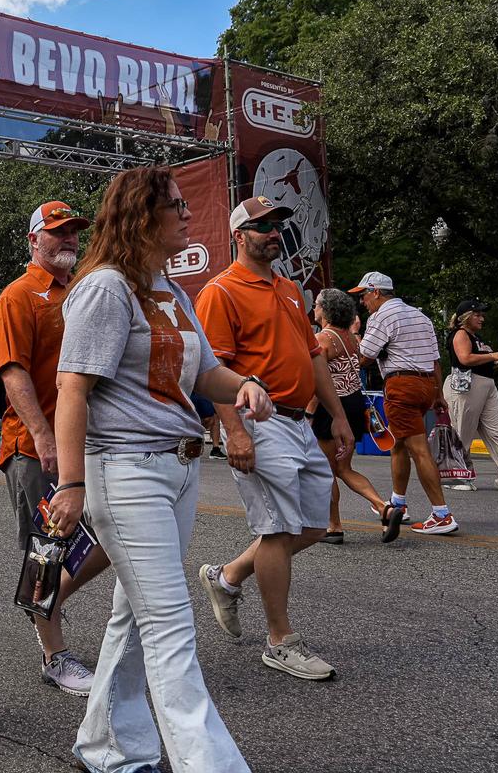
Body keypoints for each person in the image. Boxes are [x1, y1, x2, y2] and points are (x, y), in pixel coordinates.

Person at [47, 167, 268, 773]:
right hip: (126, 473)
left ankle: (108, 746)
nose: (188, 215)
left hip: (180, 469)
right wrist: (71, 484)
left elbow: (205, 373)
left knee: (133, 621)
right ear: (143, 217)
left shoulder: (170, 289)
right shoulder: (105, 289)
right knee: (171, 628)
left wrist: (246, 386)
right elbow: (72, 390)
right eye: (176, 206)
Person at [193, 196, 355, 682]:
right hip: (260, 423)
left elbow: (313, 358)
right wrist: (235, 433)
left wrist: (338, 415)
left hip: (300, 423)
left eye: (278, 224)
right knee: (278, 528)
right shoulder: (220, 291)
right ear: (238, 236)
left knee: (308, 526)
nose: (273, 232)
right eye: (262, 226)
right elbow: (211, 370)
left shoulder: (289, 289)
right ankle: (281, 641)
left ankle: (227, 577)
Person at [0, 200, 111, 696]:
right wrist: (43, 436)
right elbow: (14, 372)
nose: (67, 240)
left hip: (86, 442)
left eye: (73, 233)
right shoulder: (19, 296)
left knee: (107, 535)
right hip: (36, 446)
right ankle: (54, 656)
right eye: (57, 232)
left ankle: (44, 600)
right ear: (33, 240)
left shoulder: (82, 291)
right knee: (46, 550)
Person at [353, 272, 458, 535]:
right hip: (425, 385)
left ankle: (442, 514)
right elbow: (435, 360)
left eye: (364, 295)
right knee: (399, 444)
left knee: (418, 450)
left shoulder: (381, 316)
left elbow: (365, 357)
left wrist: (354, 336)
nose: (363, 302)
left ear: (376, 292)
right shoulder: (420, 316)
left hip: (401, 384)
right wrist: (437, 394)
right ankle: (398, 502)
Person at [309, 288, 388, 542]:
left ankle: (334, 525)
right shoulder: (351, 338)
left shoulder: (323, 339)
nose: (314, 309)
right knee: (344, 468)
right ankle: (383, 506)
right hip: (353, 403)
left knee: (327, 470)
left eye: (318, 305)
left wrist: (310, 413)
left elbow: (319, 380)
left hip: (332, 407)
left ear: (326, 310)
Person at [443, 299, 498, 498]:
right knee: (462, 432)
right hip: (466, 386)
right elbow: (465, 358)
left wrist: (492, 358)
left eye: (482, 314)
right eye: (477, 314)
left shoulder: (475, 336)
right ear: (465, 317)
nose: (482, 318)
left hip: (485, 385)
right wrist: (493, 356)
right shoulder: (460, 334)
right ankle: (460, 476)